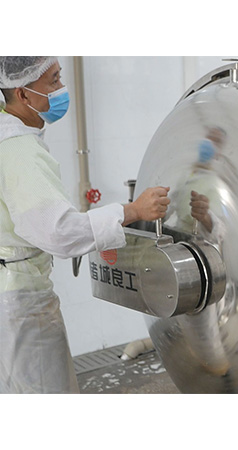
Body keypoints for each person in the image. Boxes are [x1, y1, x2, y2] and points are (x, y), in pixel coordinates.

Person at [0, 56, 170, 393]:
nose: (62, 89)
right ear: (23, 94)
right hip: (19, 302)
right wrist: (132, 210)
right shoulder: (19, 150)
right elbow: (58, 232)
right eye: (53, 81)